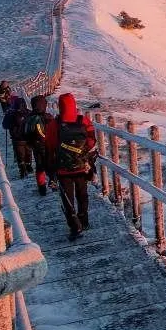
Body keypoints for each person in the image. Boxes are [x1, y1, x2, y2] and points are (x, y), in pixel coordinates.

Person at [55, 93, 97, 241]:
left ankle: (75, 226)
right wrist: (82, 152)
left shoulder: (55, 123)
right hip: (81, 166)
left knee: (67, 197)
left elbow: (50, 145)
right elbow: (92, 140)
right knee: (82, 193)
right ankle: (84, 220)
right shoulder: (83, 120)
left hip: (62, 168)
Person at [24, 95, 58, 196]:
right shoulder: (48, 117)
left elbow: (26, 132)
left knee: (39, 167)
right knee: (51, 165)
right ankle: (53, 183)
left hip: (36, 146)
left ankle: (42, 188)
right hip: (48, 144)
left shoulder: (29, 117)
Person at [2, 96, 33, 179]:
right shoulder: (29, 113)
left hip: (17, 139)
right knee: (28, 152)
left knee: (20, 155)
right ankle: (29, 166)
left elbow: (5, 126)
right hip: (28, 137)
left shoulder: (11, 114)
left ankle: (22, 170)